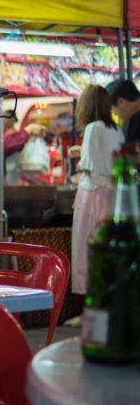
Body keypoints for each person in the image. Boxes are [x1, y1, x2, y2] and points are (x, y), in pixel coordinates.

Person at [71, 85, 125, 296]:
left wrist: (79, 160)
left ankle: (88, 313)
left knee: (86, 251)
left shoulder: (93, 128)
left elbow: (90, 168)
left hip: (92, 194)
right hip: (112, 196)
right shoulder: (116, 129)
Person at [107, 79, 140, 146]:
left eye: (112, 109)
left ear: (121, 102)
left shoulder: (136, 120)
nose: (115, 114)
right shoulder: (134, 118)